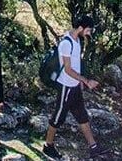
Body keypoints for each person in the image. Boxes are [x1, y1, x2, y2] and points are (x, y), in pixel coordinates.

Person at [42, 15, 105, 159]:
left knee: (82, 115)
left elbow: (76, 65)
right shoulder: (66, 43)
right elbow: (68, 70)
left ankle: (93, 146)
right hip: (66, 86)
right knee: (58, 117)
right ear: (81, 28)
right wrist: (86, 81)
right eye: (88, 30)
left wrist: (81, 83)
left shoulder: (77, 41)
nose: (89, 33)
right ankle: (48, 146)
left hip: (75, 86)